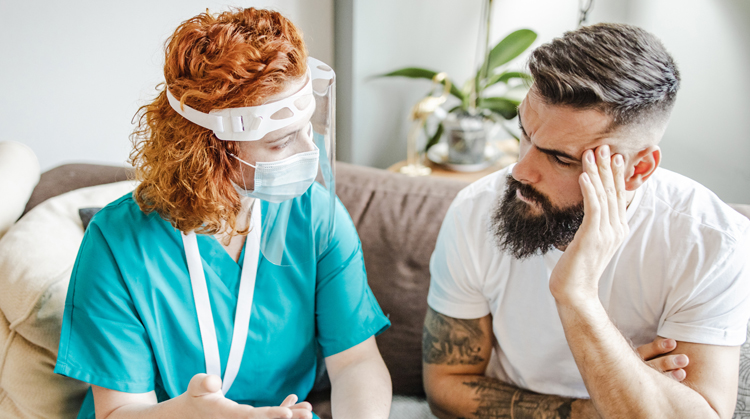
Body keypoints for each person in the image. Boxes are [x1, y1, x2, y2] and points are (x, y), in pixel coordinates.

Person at [54, 8, 392, 419]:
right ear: (210, 149)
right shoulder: (116, 244)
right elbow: (118, 410)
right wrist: (188, 413)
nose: (310, 152)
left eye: (308, 129)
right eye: (282, 141)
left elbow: (356, 362)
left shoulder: (316, 216)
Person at [423, 23, 750, 419]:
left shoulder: (712, 242)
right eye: (524, 133)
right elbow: (444, 386)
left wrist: (575, 294)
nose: (520, 171)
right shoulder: (475, 210)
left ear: (637, 169)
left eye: (560, 158)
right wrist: (595, 409)